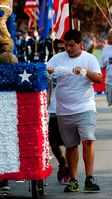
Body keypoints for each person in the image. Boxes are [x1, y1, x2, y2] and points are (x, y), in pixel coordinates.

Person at [47, 29, 102, 193]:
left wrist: (85, 71)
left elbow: (98, 79)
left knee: (88, 140)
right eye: (66, 46)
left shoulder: (89, 58)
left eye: (72, 46)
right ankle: (74, 179)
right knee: (71, 145)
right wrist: (47, 72)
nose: (69, 49)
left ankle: (89, 178)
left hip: (85, 107)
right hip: (64, 110)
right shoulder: (57, 59)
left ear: (80, 44)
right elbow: (45, 75)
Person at [47, 38, 71, 184]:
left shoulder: (73, 62)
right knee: (54, 143)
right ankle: (62, 162)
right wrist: (45, 105)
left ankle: (68, 169)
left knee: (70, 143)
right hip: (54, 109)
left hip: (69, 108)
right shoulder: (52, 62)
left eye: (64, 48)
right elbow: (48, 86)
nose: (62, 51)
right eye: (59, 49)